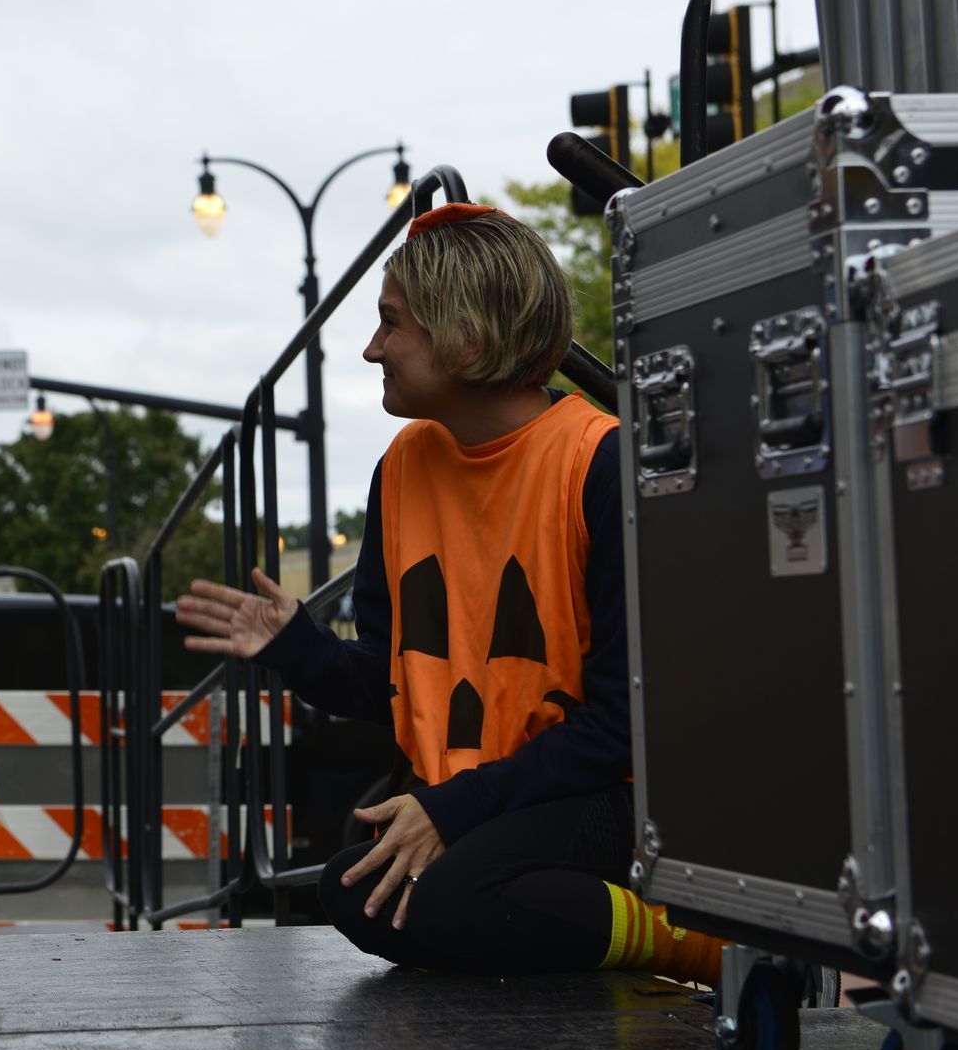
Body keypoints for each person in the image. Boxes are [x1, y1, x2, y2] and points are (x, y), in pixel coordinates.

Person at [176, 204, 725, 984]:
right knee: (353, 889)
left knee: (452, 898)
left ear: (466, 338)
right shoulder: (401, 467)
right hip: (487, 798)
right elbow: (396, 682)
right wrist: (295, 649)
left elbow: (622, 727)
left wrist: (453, 809)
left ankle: (693, 940)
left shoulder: (600, 462)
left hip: (604, 792)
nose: (372, 349)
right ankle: (566, 936)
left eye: (391, 324)